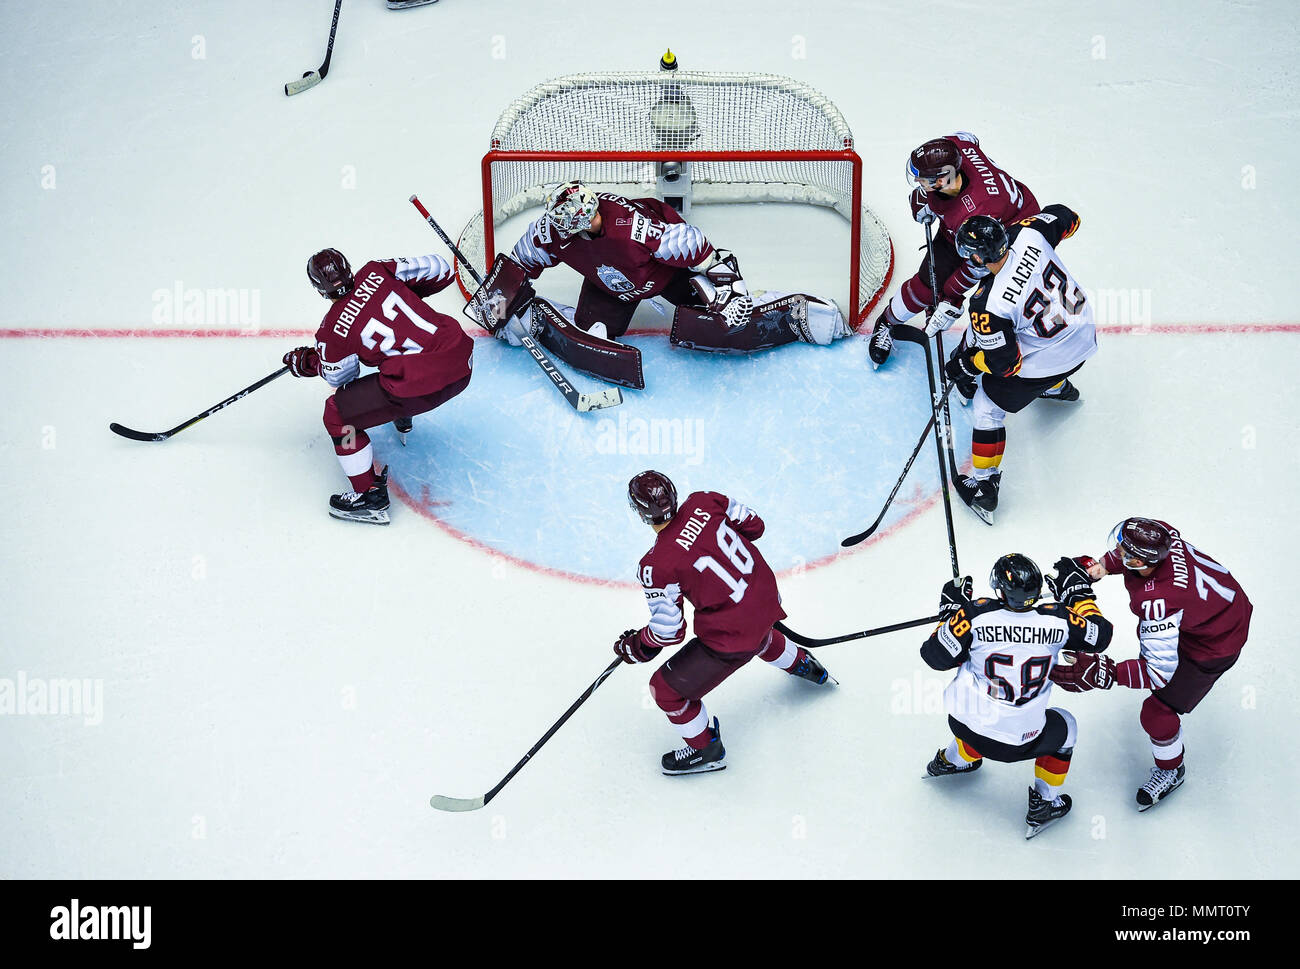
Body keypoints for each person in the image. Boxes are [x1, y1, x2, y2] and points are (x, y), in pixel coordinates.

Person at [617, 470, 833, 774]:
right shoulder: (705, 501)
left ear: (641, 513)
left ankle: (706, 750)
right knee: (760, 635)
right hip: (767, 599)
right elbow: (755, 527)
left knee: (665, 690)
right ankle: (806, 665)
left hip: (735, 634)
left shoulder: (656, 565)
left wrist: (637, 645)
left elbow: (669, 632)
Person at [504, 180, 850, 352]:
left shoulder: (636, 230)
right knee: (590, 332)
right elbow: (520, 261)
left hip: (665, 276)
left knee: (724, 319)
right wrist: (501, 303)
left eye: (590, 216)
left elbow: (694, 246)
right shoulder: (551, 231)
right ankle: (534, 318)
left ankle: (804, 313)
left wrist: (730, 289)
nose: (587, 223)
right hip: (609, 286)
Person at [1051, 518, 1253, 811]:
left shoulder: (1158, 600)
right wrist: (1104, 565)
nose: (1117, 550)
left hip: (1215, 644)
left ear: (1139, 561)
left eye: (1123, 552)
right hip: (1218, 610)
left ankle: (1171, 770)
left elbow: (1158, 672)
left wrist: (1107, 672)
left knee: (1156, 713)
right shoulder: (1163, 534)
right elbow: (1138, 550)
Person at [920, 553, 1113, 838]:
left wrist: (950, 613)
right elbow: (1101, 635)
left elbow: (934, 656)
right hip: (1020, 742)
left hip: (963, 725)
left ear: (1000, 590)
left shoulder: (975, 615)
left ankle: (951, 760)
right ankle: (1044, 804)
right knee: (1067, 725)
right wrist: (1077, 593)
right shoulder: (1057, 619)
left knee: (979, 708)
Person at [282, 248, 473, 524]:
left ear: (319, 289)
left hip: (420, 388)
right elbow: (441, 270)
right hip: (462, 361)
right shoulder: (377, 271)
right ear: (348, 267)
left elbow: (339, 378)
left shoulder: (332, 331)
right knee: (399, 373)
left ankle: (368, 497)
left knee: (338, 414)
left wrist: (310, 363)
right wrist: (408, 293)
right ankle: (402, 415)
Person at [942, 207, 1092, 523]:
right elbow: (1068, 217)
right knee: (1006, 333)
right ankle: (1057, 388)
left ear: (980, 259)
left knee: (986, 405)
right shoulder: (1028, 233)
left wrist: (968, 365)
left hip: (1052, 357)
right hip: (1083, 332)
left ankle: (985, 485)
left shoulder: (990, 303)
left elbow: (1005, 366)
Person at [868, 132, 1040, 367]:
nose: (918, 181)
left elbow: (975, 267)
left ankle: (966, 365)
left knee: (992, 309)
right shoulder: (957, 147)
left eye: (923, 179)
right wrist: (925, 197)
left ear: (942, 180)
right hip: (972, 228)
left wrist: (951, 298)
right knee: (927, 285)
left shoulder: (977, 212)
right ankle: (886, 322)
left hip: (1009, 242)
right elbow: (967, 137)